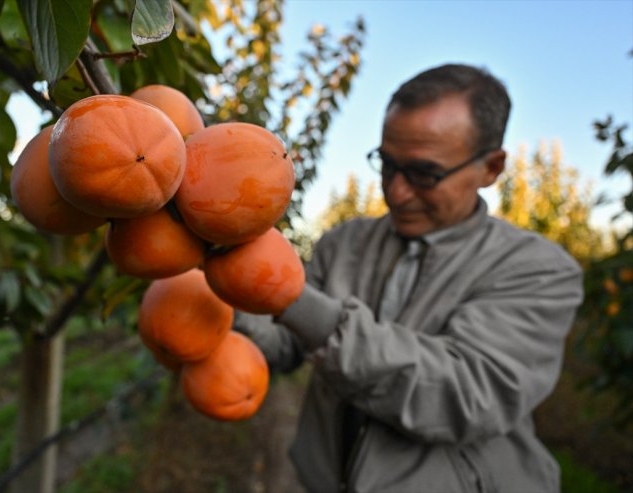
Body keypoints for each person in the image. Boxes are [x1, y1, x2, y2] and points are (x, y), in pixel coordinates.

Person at [234, 63, 584, 493]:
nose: (396, 192)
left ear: (491, 168)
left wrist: (290, 298)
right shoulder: (345, 243)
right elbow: (285, 346)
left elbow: (461, 394)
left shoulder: (539, 270)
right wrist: (219, 294)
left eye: (424, 174)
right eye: (386, 165)